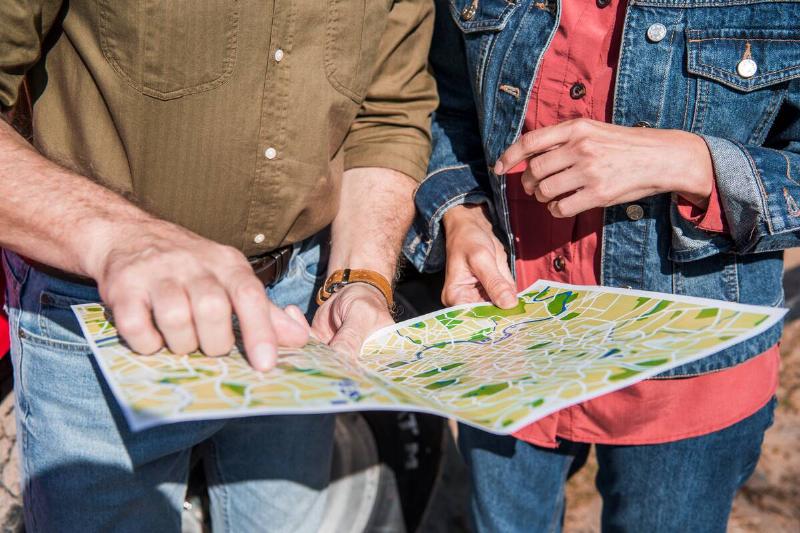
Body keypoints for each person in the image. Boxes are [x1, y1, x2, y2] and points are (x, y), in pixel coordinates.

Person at [0, 1, 436, 531]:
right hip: (101, 312)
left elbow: (387, 117)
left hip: (297, 309)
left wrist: (360, 280)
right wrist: (121, 236)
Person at [407, 0, 798, 531]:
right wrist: (462, 212)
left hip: (686, 372)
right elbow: (440, 100)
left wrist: (689, 162)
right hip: (504, 347)